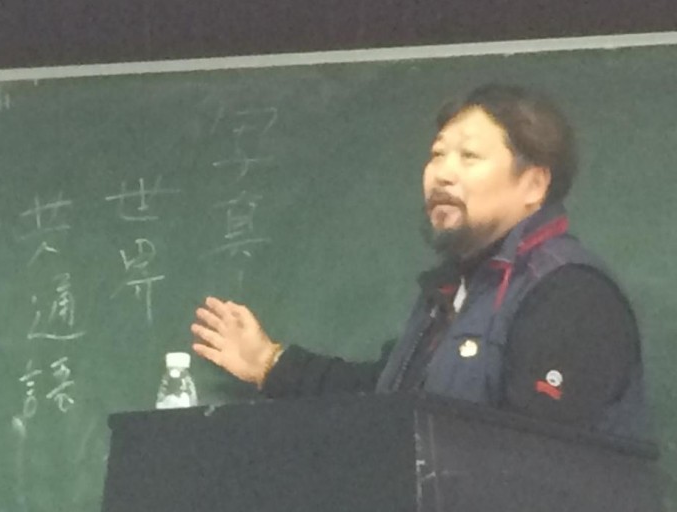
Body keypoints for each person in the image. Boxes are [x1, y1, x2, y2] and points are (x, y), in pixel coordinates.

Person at [190, 84, 648, 440]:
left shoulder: (569, 293)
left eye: (469, 156)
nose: (442, 173)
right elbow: (388, 396)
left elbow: (534, 458)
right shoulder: (453, 293)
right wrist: (271, 363)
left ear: (533, 184)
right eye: (437, 155)